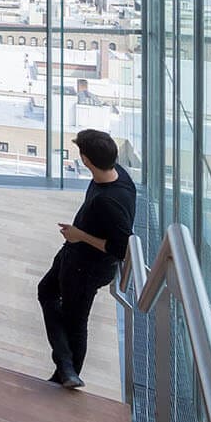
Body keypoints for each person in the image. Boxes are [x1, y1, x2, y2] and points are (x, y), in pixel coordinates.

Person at [38, 128, 136, 390]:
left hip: (86, 268)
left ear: (86, 160)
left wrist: (79, 235)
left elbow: (121, 248)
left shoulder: (109, 201)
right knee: (46, 291)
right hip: (73, 255)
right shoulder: (120, 176)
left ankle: (67, 373)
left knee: (75, 323)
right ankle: (65, 369)